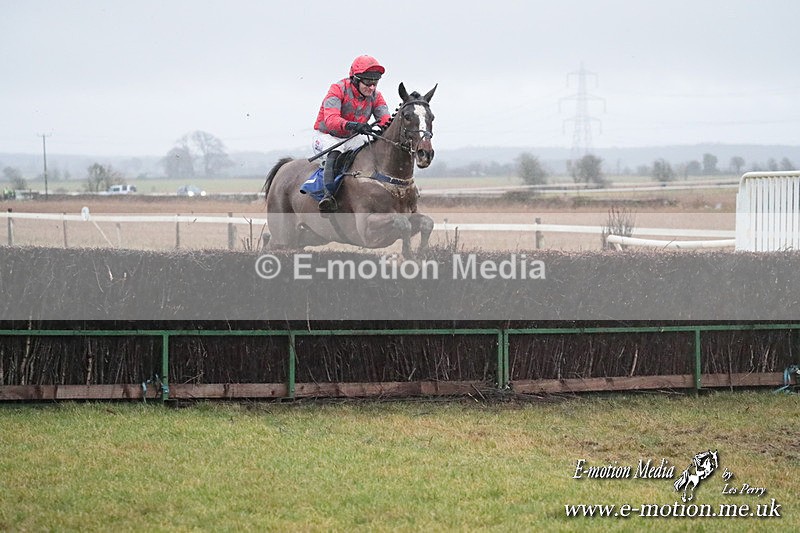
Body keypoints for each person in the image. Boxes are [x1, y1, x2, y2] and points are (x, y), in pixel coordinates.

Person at [312, 55, 392, 212]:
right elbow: (331, 120)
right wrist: (354, 125)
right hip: (328, 136)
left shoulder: (376, 96)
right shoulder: (337, 89)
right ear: (355, 79)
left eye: (375, 83)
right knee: (336, 152)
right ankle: (328, 196)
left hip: (352, 137)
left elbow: (385, 119)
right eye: (368, 82)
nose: (372, 87)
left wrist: (387, 129)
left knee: (372, 150)